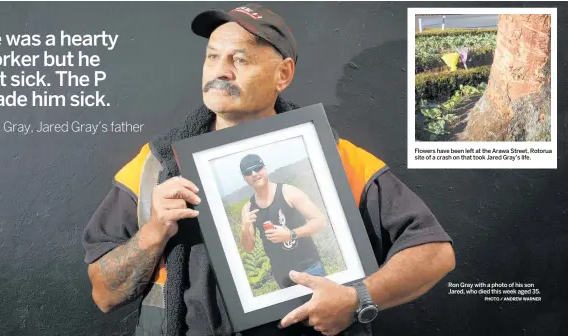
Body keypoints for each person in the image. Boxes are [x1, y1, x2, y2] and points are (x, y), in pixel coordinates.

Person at [82, 4, 455, 336]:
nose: (220, 72)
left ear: (283, 74)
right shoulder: (153, 168)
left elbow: (435, 252)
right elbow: (103, 295)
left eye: (239, 60)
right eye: (212, 57)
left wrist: (357, 298)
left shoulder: (334, 158)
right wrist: (153, 232)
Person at [239, 154, 329, 289]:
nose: (254, 174)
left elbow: (320, 221)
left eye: (257, 168)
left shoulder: (289, 193)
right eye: (248, 171)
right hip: (283, 277)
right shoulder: (248, 209)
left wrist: (290, 234)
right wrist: (245, 229)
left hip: (310, 269)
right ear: (244, 177)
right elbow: (248, 247)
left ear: (265, 169)